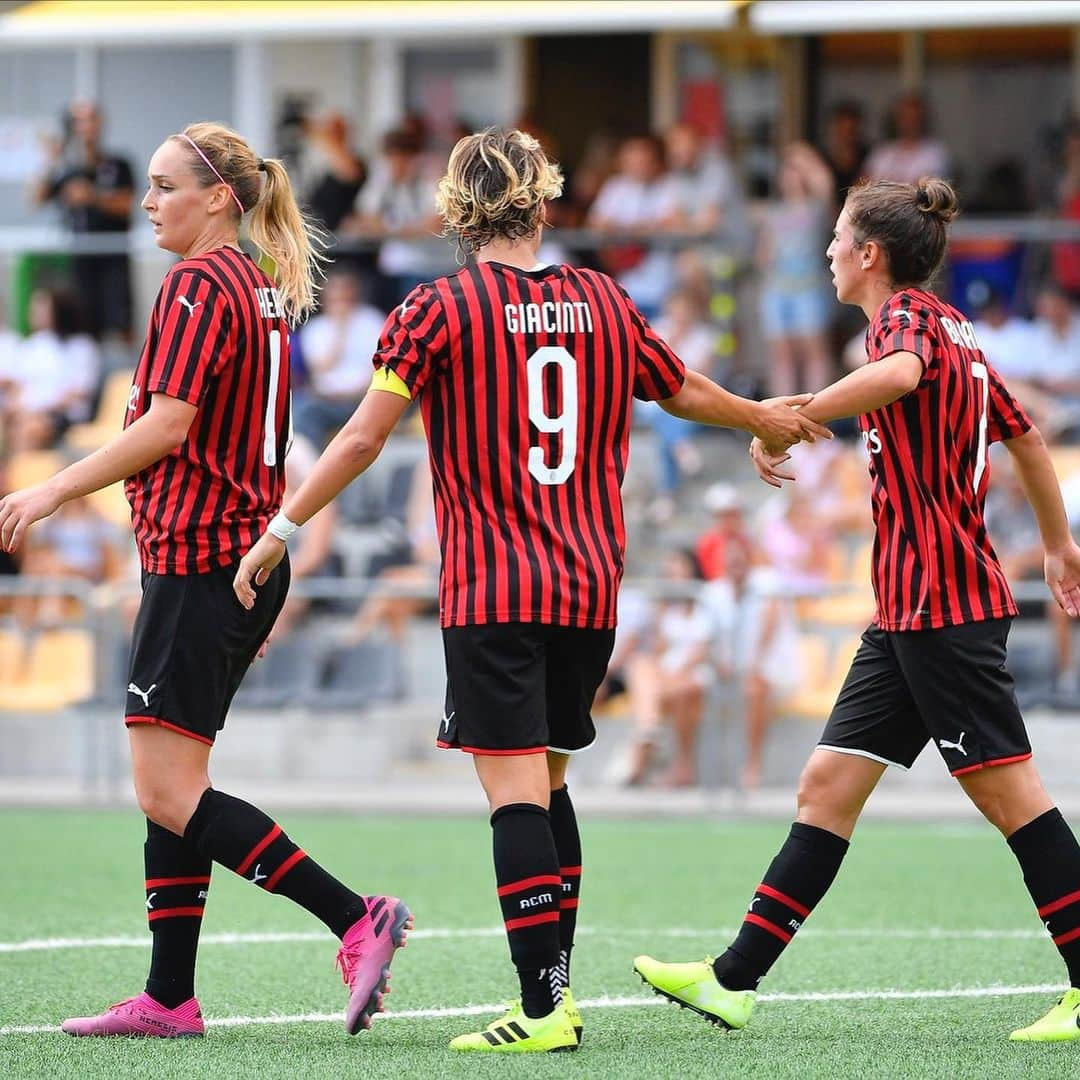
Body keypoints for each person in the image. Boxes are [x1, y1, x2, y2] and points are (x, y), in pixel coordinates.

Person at [232, 127, 831, 1054]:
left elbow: (356, 441)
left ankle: (545, 1012)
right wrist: (763, 416)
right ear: (544, 204)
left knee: (515, 801)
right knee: (548, 791)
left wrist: (281, 530)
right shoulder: (603, 300)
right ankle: (557, 991)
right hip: (590, 587)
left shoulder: (435, 310)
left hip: (492, 591)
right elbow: (677, 389)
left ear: (455, 214)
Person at [634, 176, 1080, 1044]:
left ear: (868, 254)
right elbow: (1025, 436)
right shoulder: (960, 331)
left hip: (942, 604)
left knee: (1011, 796)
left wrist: (788, 416)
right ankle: (733, 981)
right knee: (828, 784)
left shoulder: (906, 325)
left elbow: (902, 373)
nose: (829, 251)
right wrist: (1059, 545)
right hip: (909, 608)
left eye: (837, 238)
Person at [0, 121, 410, 1039]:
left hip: (200, 559)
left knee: (165, 790)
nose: (147, 203)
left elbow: (170, 425)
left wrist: (57, 486)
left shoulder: (197, 283)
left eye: (163, 185)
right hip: (237, 555)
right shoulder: (257, 285)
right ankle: (169, 996)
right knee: (176, 781)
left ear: (219, 196)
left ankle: (356, 917)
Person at [33, 102, 135, 342]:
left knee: (121, 322)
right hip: (80, 259)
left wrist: (93, 196)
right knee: (85, 325)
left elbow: (128, 203)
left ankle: (129, 375)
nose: (84, 128)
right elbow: (37, 198)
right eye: (77, 122)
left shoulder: (118, 165)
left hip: (113, 258)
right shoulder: (68, 168)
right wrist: (50, 159)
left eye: (89, 120)